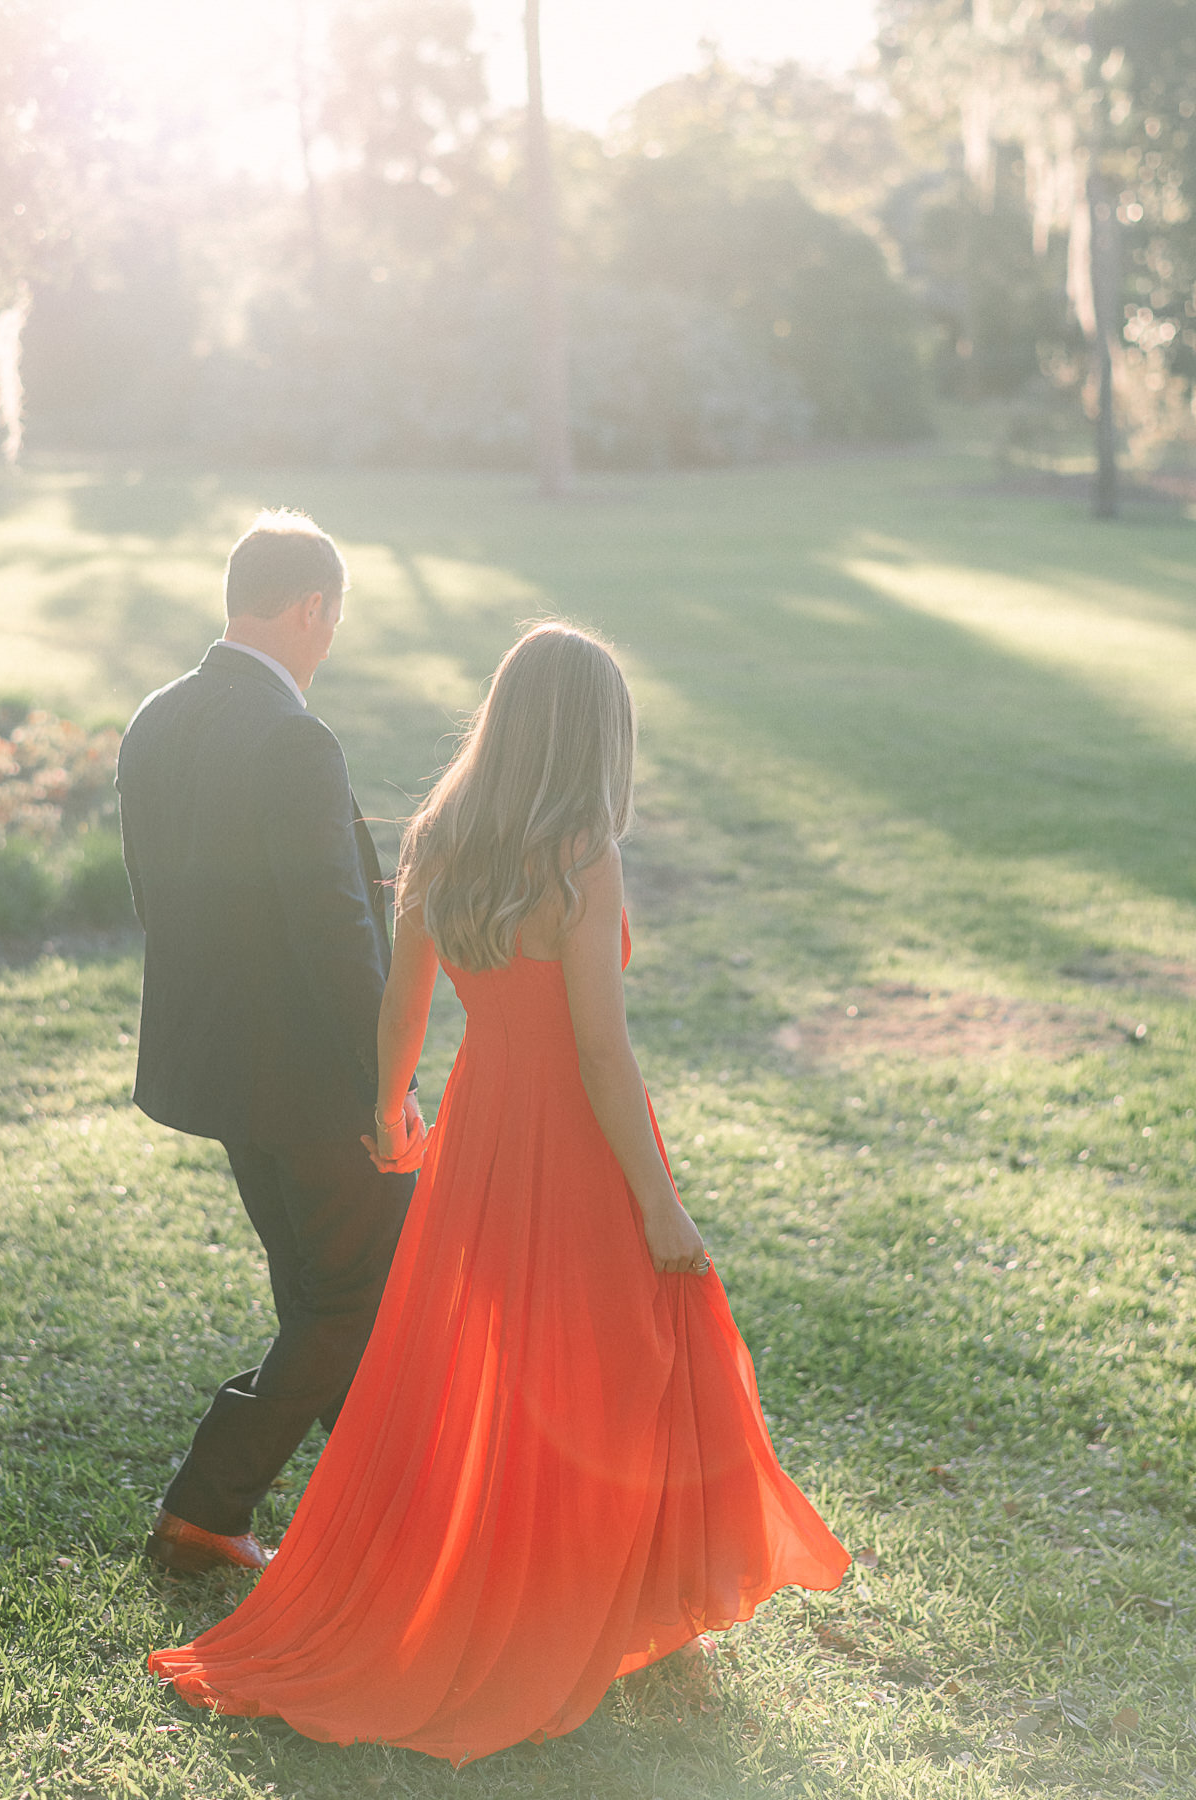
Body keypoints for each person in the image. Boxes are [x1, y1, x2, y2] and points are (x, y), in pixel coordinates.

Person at [148, 622, 849, 1759]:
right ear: (591, 733)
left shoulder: (442, 835)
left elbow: (402, 999)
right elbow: (602, 1055)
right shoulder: (578, 852)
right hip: (571, 1134)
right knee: (636, 1351)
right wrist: (660, 1203)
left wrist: (390, 1108)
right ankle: (623, 1605)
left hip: (479, 1126)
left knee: (514, 1355)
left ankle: (620, 1600)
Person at [117, 508, 421, 1576]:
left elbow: (154, 895)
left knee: (317, 1296)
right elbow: (335, 927)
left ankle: (376, 1503)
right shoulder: (295, 738)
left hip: (223, 1070)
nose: (328, 642)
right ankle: (207, 1506)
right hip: (312, 1079)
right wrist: (387, 1080)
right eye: (329, 621)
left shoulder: (156, 718)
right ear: (310, 609)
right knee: (357, 1295)